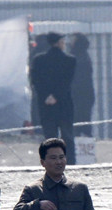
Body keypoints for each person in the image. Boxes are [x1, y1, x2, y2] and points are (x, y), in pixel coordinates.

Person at [30, 32, 78, 164]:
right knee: (67, 135)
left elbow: (35, 81)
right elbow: (66, 82)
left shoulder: (38, 60)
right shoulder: (70, 60)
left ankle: (50, 162)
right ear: (60, 42)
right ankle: (69, 162)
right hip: (64, 104)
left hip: (45, 104)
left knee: (49, 137)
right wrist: (56, 96)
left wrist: (46, 96)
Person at [69, 33, 96, 137]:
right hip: (85, 93)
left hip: (79, 94)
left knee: (79, 119)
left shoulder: (78, 57)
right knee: (84, 118)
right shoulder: (84, 56)